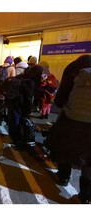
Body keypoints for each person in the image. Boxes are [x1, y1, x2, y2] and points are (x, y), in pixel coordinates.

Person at [50, 54, 91, 203]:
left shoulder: (73, 73)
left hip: (71, 120)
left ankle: (63, 176)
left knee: (66, 148)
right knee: (89, 159)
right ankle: (86, 195)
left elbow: (59, 101)